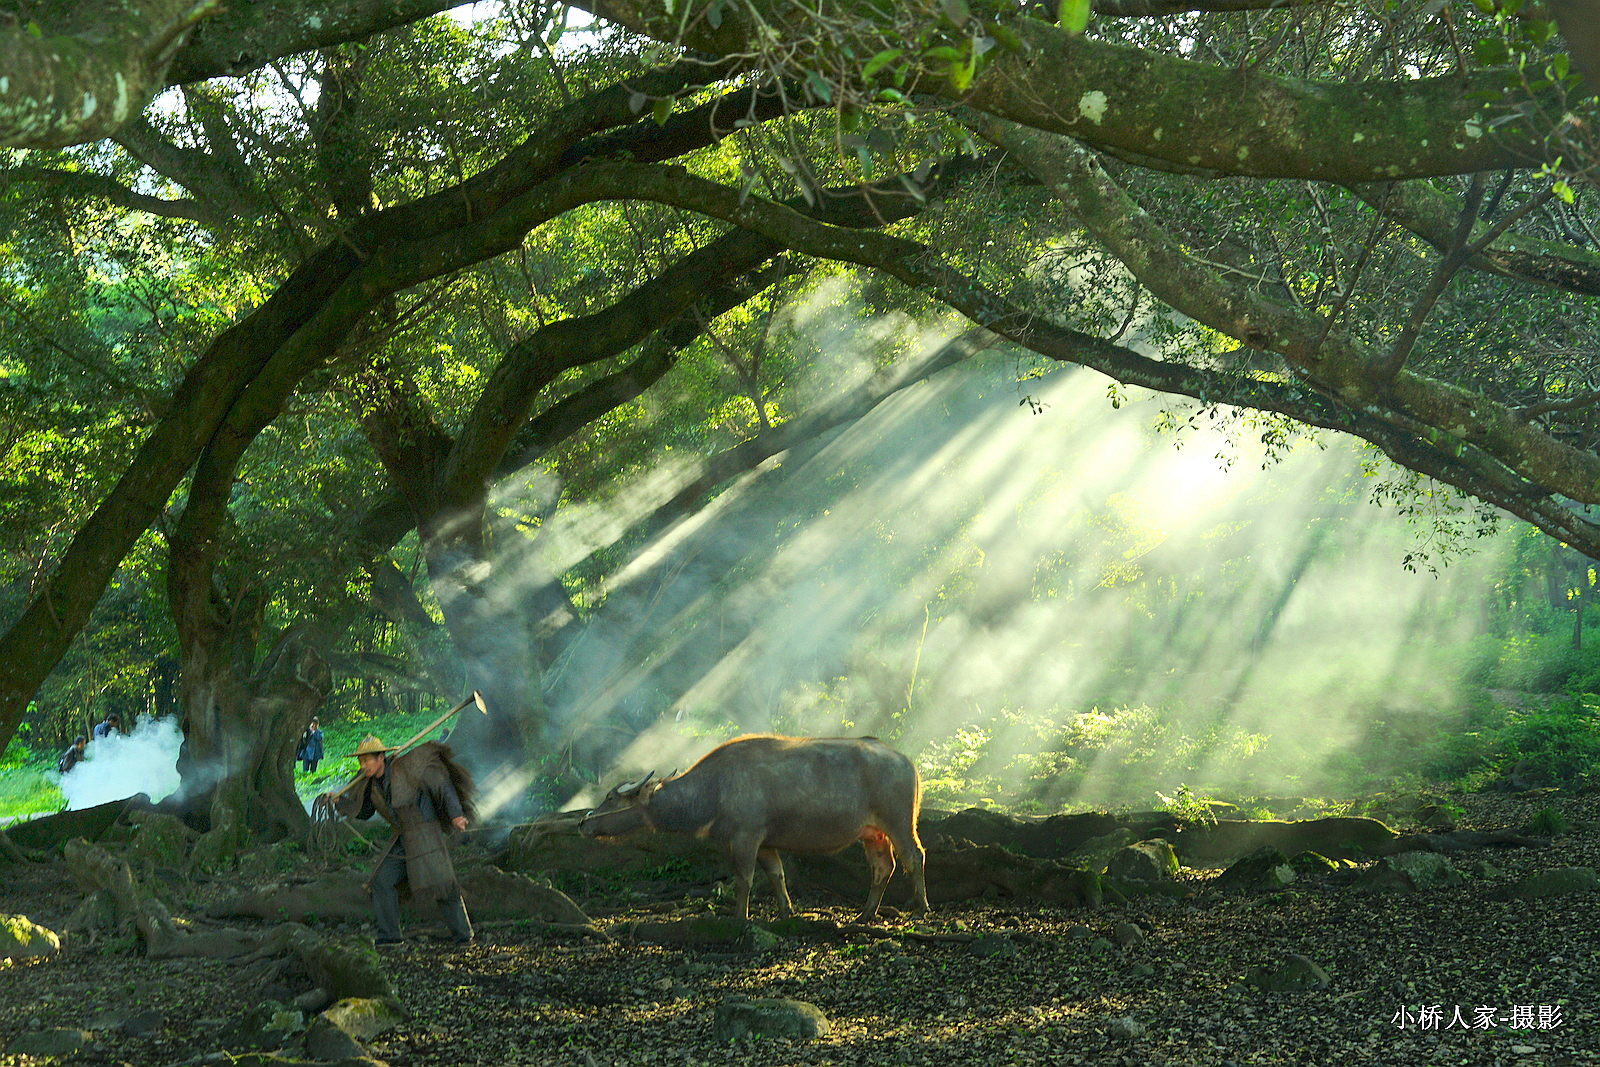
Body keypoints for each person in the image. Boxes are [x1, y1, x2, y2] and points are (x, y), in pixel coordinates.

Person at [323, 735, 476, 947]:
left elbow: (441, 781)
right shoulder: (370, 783)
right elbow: (365, 811)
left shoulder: (406, 767)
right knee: (382, 882)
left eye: (367, 760)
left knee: (443, 885)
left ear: (381, 758)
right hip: (401, 836)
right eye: (361, 761)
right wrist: (339, 802)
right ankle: (390, 936)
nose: (363, 765)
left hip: (424, 835)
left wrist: (456, 814)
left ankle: (463, 936)